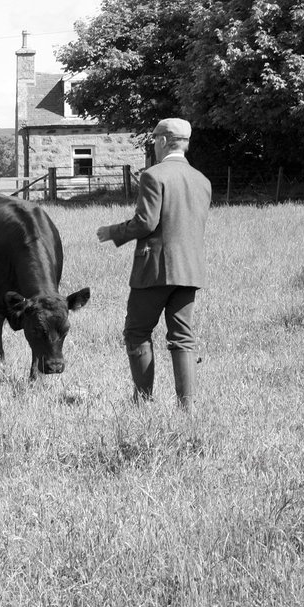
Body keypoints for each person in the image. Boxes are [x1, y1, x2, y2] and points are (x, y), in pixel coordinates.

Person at [96, 118, 211, 409]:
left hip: (155, 269)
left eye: (154, 142)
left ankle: (143, 401)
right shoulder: (202, 180)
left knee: (137, 331)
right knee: (183, 337)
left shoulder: (153, 175)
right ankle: (188, 408)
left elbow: (146, 222)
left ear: (161, 141)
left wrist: (113, 232)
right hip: (190, 269)